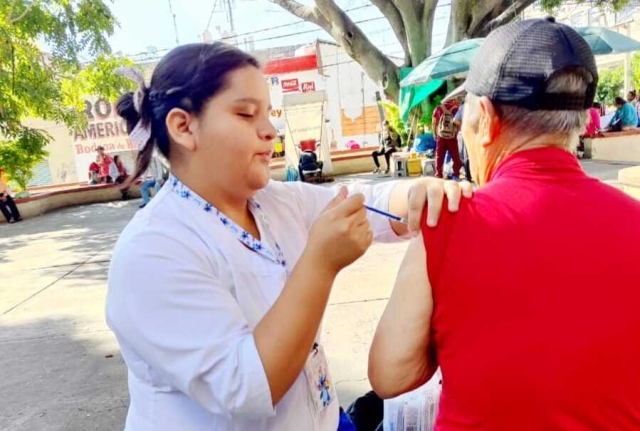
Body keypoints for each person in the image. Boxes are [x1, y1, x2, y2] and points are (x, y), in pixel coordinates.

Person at [106, 43, 471, 431]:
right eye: (246, 114)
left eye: (268, 114)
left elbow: (373, 204)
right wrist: (319, 264)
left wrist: (418, 194)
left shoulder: (275, 201)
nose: (270, 131)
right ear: (184, 127)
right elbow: (247, 389)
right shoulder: (153, 252)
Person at [369, 17, 640, 431]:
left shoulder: (447, 224)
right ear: (585, 121)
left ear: (487, 119)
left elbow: (390, 375)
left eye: (466, 113)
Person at [433, 98, 462, 179]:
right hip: (452, 137)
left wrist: (434, 133)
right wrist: (456, 132)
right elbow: (458, 122)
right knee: (455, 156)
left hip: (441, 137)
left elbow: (434, 123)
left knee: (439, 156)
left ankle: (439, 174)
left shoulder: (438, 108)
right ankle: (456, 174)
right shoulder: (456, 108)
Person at [453, 102, 472, 182]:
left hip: (467, 132)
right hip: (478, 132)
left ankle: (468, 176)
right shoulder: (477, 104)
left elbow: (455, 120)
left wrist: (463, 124)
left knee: (467, 154)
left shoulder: (462, 107)